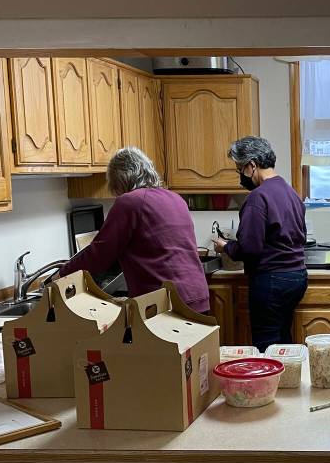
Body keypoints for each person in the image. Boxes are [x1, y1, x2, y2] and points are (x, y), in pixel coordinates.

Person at [58, 146, 210, 312]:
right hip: (197, 297)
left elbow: (99, 253)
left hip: (165, 303)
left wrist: (61, 275)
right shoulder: (176, 198)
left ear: (120, 180)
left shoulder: (130, 202)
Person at [213, 136, 307, 351]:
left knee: (267, 344)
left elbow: (250, 249)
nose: (240, 176)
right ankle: (287, 383)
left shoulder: (258, 197)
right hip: (297, 276)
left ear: (252, 165)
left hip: (271, 279)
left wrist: (226, 246)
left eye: (240, 169)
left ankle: (270, 385)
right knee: (283, 339)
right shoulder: (291, 192)